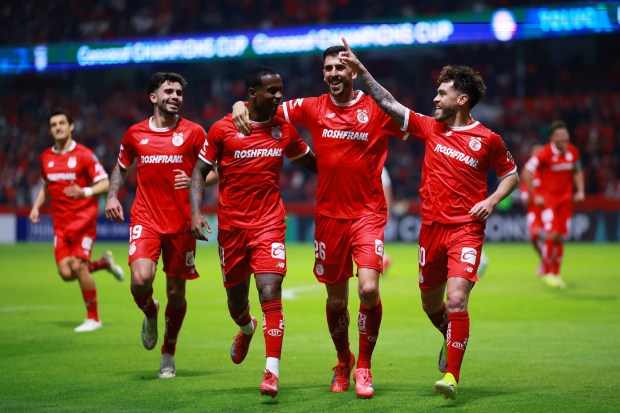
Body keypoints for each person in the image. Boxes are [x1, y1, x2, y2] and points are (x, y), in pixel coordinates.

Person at [339, 38, 519, 400]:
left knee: (456, 300)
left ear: (461, 100)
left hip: (466, 230)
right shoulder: (429, 127)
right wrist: (363, 73)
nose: (435, 98)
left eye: (442, 93)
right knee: (431, 305)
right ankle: (449, 336)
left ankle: (451, 375)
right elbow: (389, 103)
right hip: (431, 231)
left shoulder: (488, 139)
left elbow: (511, 174)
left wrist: (492, 199)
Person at [232, 47, 409, 400]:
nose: (333, 73)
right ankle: (343, 361)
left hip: (367, 214)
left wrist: (368, 74)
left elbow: (405, 118)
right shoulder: (311, 107)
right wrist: (238, 106)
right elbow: (265, 109)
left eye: (340, 67)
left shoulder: (375, 108)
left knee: (369, 289)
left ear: (353, 72)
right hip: (329, 217)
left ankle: (364, 367)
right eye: (327, 68)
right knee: (336, 301)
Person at [190, 66, 317, 398]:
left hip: (270, 224)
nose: (278, 95)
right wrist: (195, 212)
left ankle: (271, 371)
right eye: (271, 91)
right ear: (251, 94)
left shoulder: (283, 130)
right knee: (236, 301)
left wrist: (349, 165)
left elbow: (313, 163)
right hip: (231, 229)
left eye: (280, 89)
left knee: (269, 288)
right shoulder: (222, 129)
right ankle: (246, 328)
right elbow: (200, 171)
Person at [104, 72, 217, 379]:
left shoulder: (194, 132)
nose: (176, 96)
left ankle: (168, 353)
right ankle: (150, 312)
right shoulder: (134, 134)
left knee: (176, 293)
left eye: (179, 91)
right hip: (146, 218)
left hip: (182, 223)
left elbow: (216, 172)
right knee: (140, 280)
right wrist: (113, 195)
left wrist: (197, 178)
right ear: (153, 97)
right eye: (169, 90)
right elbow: (121, 166)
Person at [29, 108, 124, 333]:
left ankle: (93, 318)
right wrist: (36, 206)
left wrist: (84, 192)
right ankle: (103, 263)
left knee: (79, 266)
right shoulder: (46, 158)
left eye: (62, 123)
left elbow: (104, 183)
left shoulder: (83, 155)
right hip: (60, 225)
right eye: (54, 125)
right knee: (66, 272)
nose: (58, 127)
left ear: (71, 126)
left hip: (83, 220)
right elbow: (46, 185)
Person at [522, 122, 585, 288]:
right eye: (561, 138)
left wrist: (580, 191)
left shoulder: (573, 152)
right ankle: (548, 271)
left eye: (566, 137)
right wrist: (535, 194)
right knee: (551, 234)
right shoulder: (544, 153)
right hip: (548, 200)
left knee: (560, 236)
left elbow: (577, 171)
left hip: (566, 200)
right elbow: (527, 172)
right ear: (552, 138)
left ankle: (556, 273)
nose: (565, 140)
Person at [520, 144, 544, 275]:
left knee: (550, 237)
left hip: (546, 206)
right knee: (534, 235)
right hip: (534, 208)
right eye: (537, 152)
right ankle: (543, 259)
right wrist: (524, 195)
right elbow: (524, 183)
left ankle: (550, 265)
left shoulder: (547, 167)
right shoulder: (528, 169)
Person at [381, 166, 393, 274]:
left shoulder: (381, 168)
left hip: (376, 211)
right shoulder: (383, 168)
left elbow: (387, 189)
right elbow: (388, 188)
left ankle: (383, 258)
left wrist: (388, 209)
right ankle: (383, 258)